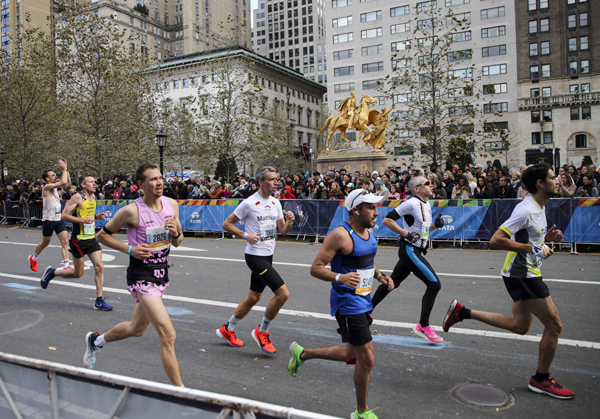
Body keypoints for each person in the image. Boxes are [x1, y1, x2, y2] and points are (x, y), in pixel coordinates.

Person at [443, 164, 574, 400]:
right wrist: (534, 247)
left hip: (526, 271)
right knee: (555, 325)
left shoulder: (540, 206)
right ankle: (541, 379)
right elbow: (496, 240)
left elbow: (531, 238)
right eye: (554, 178)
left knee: (520, 327)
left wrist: (547, 239)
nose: (558, 181)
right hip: (521, 274)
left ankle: (463, 313)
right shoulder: (525, 209)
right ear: (540, 184)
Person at [287, 189, 394, 419]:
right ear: (355, 210)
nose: (377, 212)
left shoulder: (367, 232)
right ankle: (361, 412)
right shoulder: (340, 235)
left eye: (376, 207)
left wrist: (380, 276)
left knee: (351, 355)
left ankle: (302, 354)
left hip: (363, 300)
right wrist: (339, 277)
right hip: (347, 304)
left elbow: (366, 261)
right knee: (367, 358)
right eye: (371, 208)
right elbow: (315, 268)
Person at [84, 163, 184, 386]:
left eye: (160, 178)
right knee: (168, 335)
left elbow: (178, 241)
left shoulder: (172, 205)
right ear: (141, 184)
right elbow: (102, 236)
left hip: (161, 273)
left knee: (136, 329)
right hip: (141, 275)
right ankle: (182, 394)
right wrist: (130, 249)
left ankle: (96, 341)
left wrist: (175, 232)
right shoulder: (131, 210)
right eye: (152, 179)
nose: (159, 183)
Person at [217, 166, 295, 354]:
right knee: (283, 294)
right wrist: (246, 235)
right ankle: (262, 331)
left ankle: (228, 329)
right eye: (272, 179)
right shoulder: (249, 203)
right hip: (255, 256)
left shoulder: (276, 203)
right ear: (261, 182)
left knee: (255, 296)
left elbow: (282, 231)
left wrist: (290, 221)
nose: (277, 182)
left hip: (268, 254)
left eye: (277, 179)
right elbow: (226, 224)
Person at [372, 176, 445, 343]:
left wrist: (436, 226)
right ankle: (423, 326)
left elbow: (422, 230)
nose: (431, 185)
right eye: (427, 183)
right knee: (434, 285)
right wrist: (405, 233)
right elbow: (387, 220)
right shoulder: (411, 203)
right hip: (410, 250)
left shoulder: (426, 204)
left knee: (393, 282)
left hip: (416, 249)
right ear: (417, 188)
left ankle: (366, 311)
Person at [40, 175, 112, 311]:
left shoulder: (94, 198)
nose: (94, 184)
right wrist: (83, 221)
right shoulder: (78, 197)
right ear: (83, 185)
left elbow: (86, 215)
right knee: (78, 274)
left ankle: (99, 300)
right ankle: (52, 273)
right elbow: (64, 216)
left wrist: (96, 217)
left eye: (94, 182)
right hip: (78, 240)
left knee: (99, 267)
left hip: (91, 238)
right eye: (91, 182)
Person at [29, 159, 71, 273]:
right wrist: (64, 169)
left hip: (58, 218)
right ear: (47, 179)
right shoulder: (46, 187)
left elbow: (67, 183)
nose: (55, 176)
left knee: (65, 241)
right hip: (49, 219)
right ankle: (33, 258)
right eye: (53, 175)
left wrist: (66, 169)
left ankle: (67, 264)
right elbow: (62, 182)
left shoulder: (55, 187)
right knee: (45, 242)